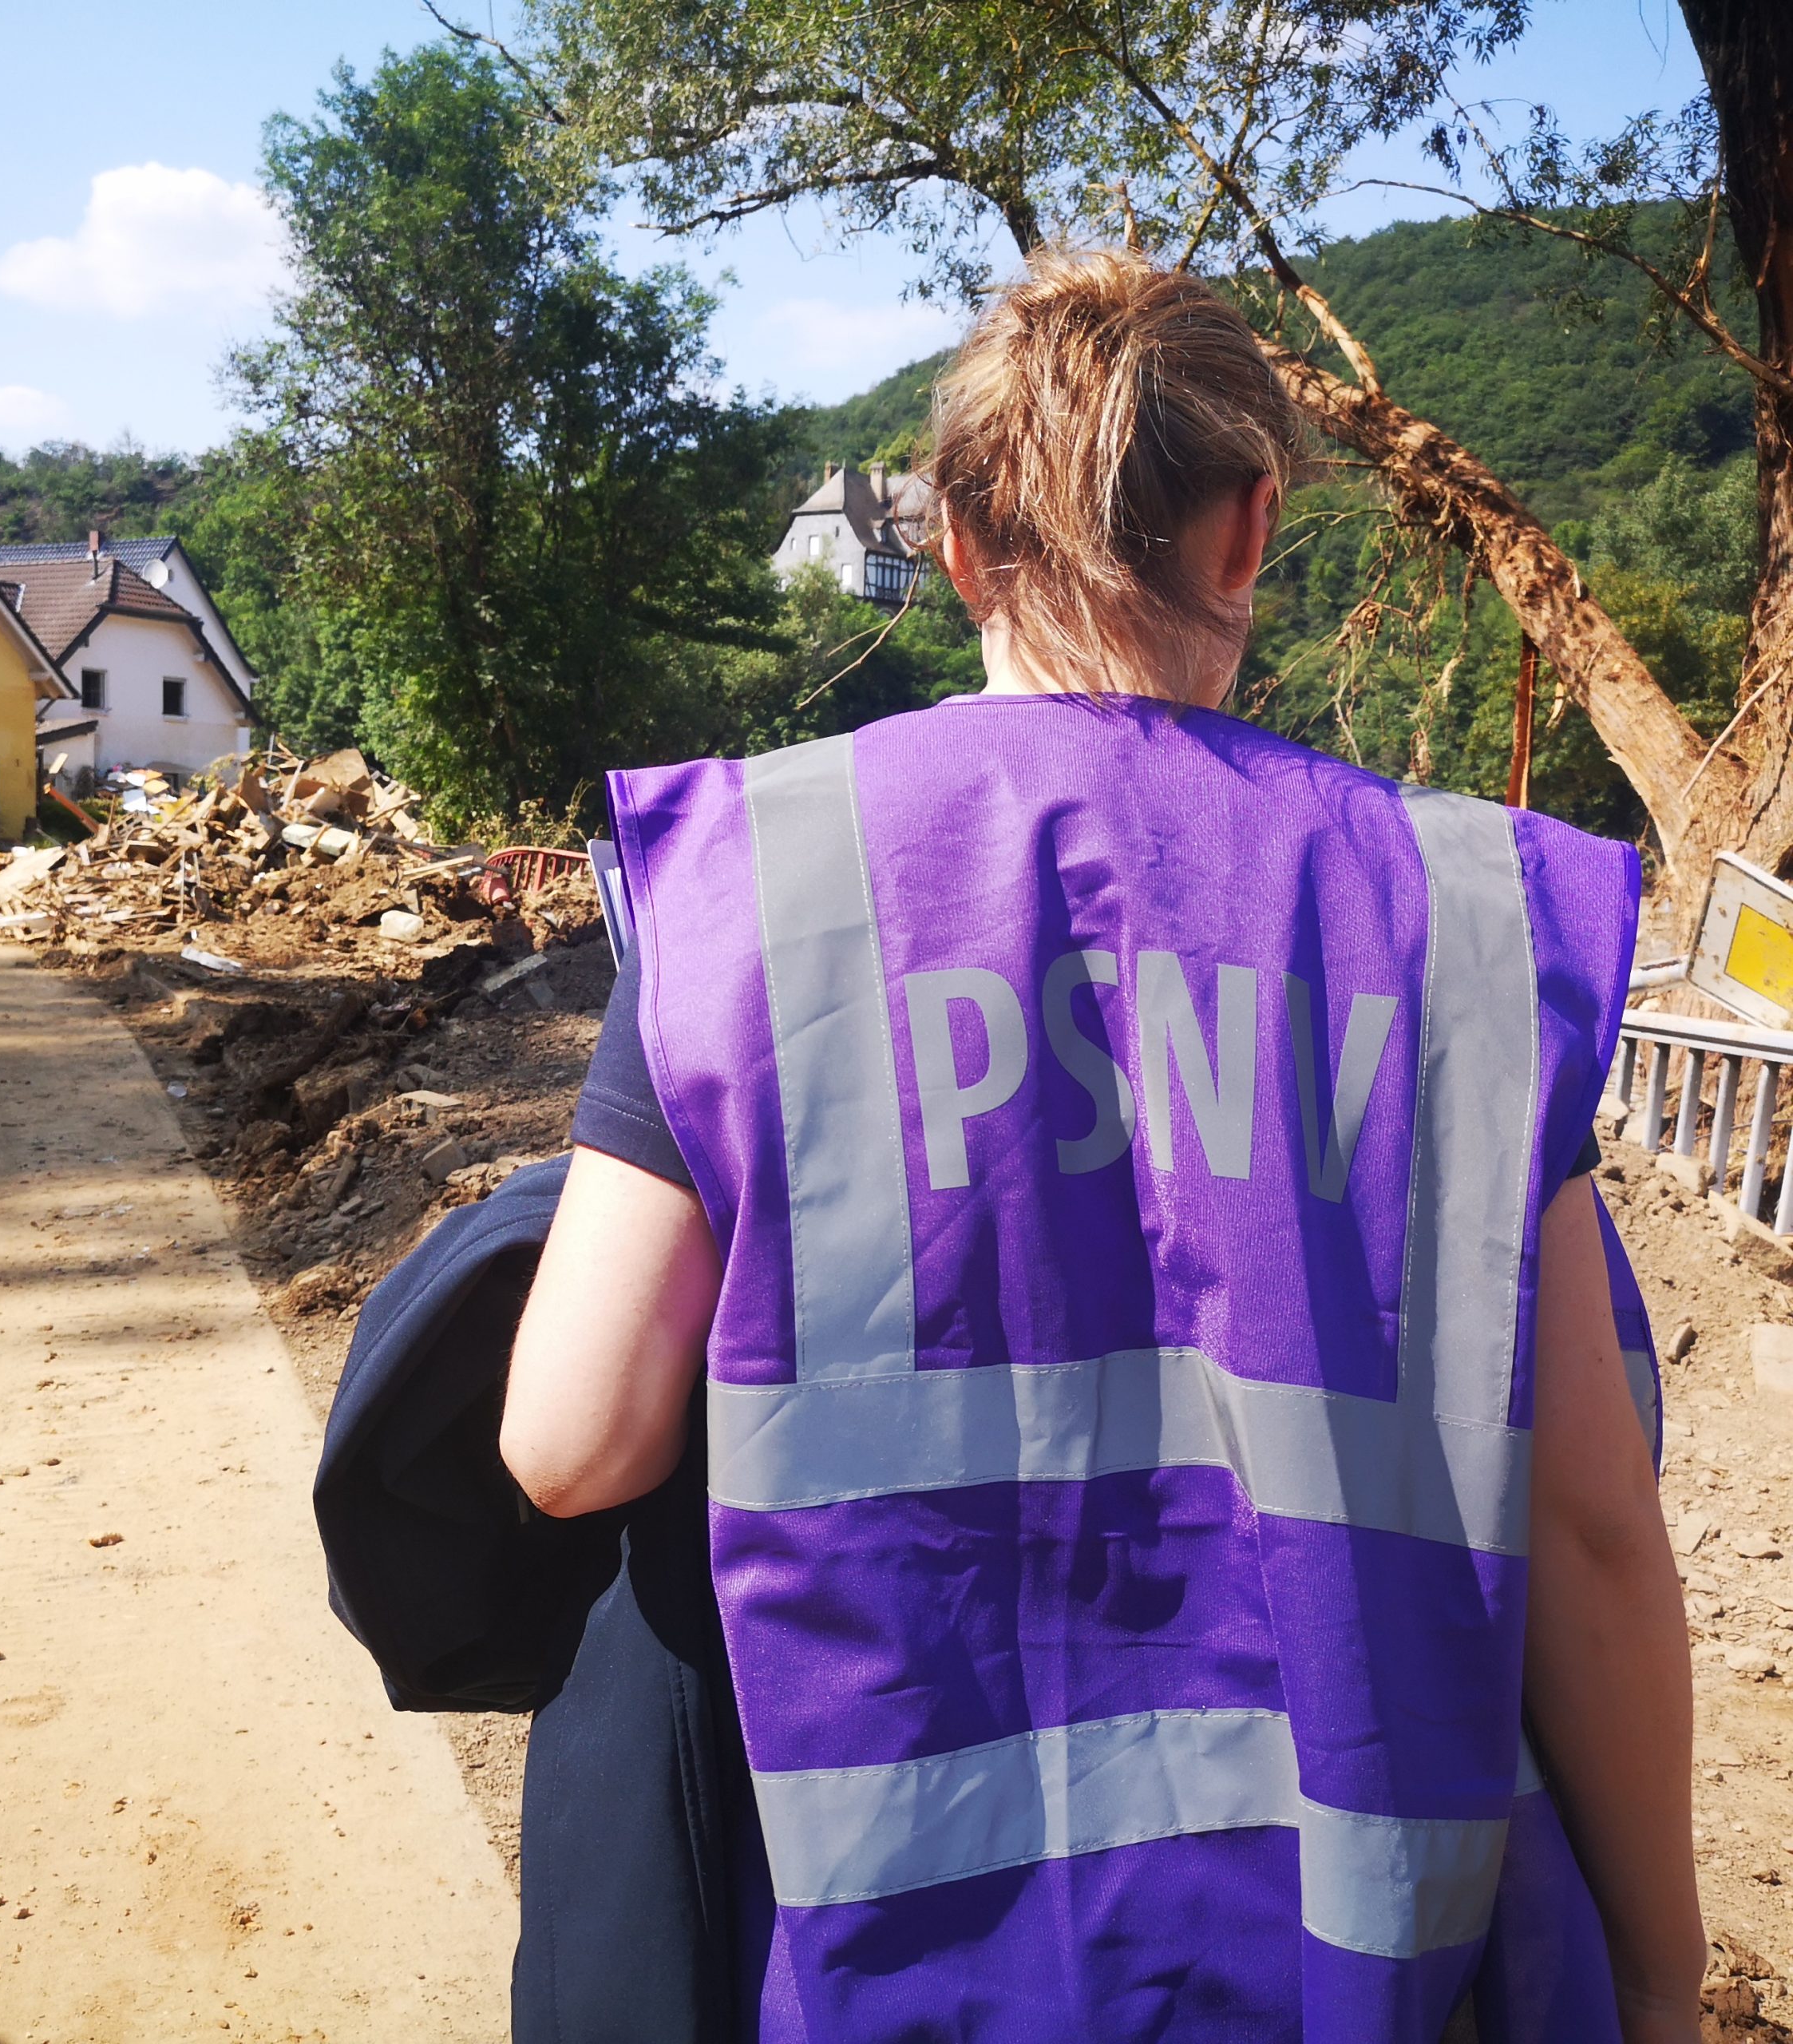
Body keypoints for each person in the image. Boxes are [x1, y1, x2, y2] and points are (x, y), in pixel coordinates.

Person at [501, 248, 1702, 2042]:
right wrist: (1664, 1982)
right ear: (1245, 534)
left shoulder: (764, 883)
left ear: (959, 543)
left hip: (906, 1952)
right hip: (1358, 1952)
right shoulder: (1456, 915)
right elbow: (1596, 1535)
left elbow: (571, 1439)